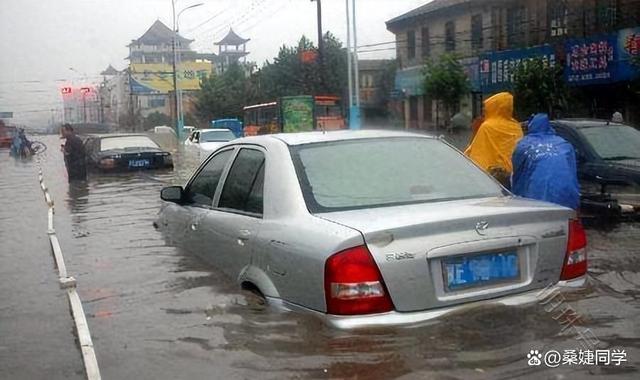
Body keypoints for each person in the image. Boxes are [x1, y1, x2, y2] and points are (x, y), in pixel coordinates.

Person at [511, 113, 580, 210]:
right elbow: (572, 171)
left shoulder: (523, 145)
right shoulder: (563, 144)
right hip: (567, 194)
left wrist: (516, 198)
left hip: (536, 195)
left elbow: (517, 173)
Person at [464, 92, 523, 188]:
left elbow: (477, 152)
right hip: (512, 174)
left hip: (491, 175)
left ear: (495, 107)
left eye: (487, 106)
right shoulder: (516, 126)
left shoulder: (487, 126)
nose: (484, 109)